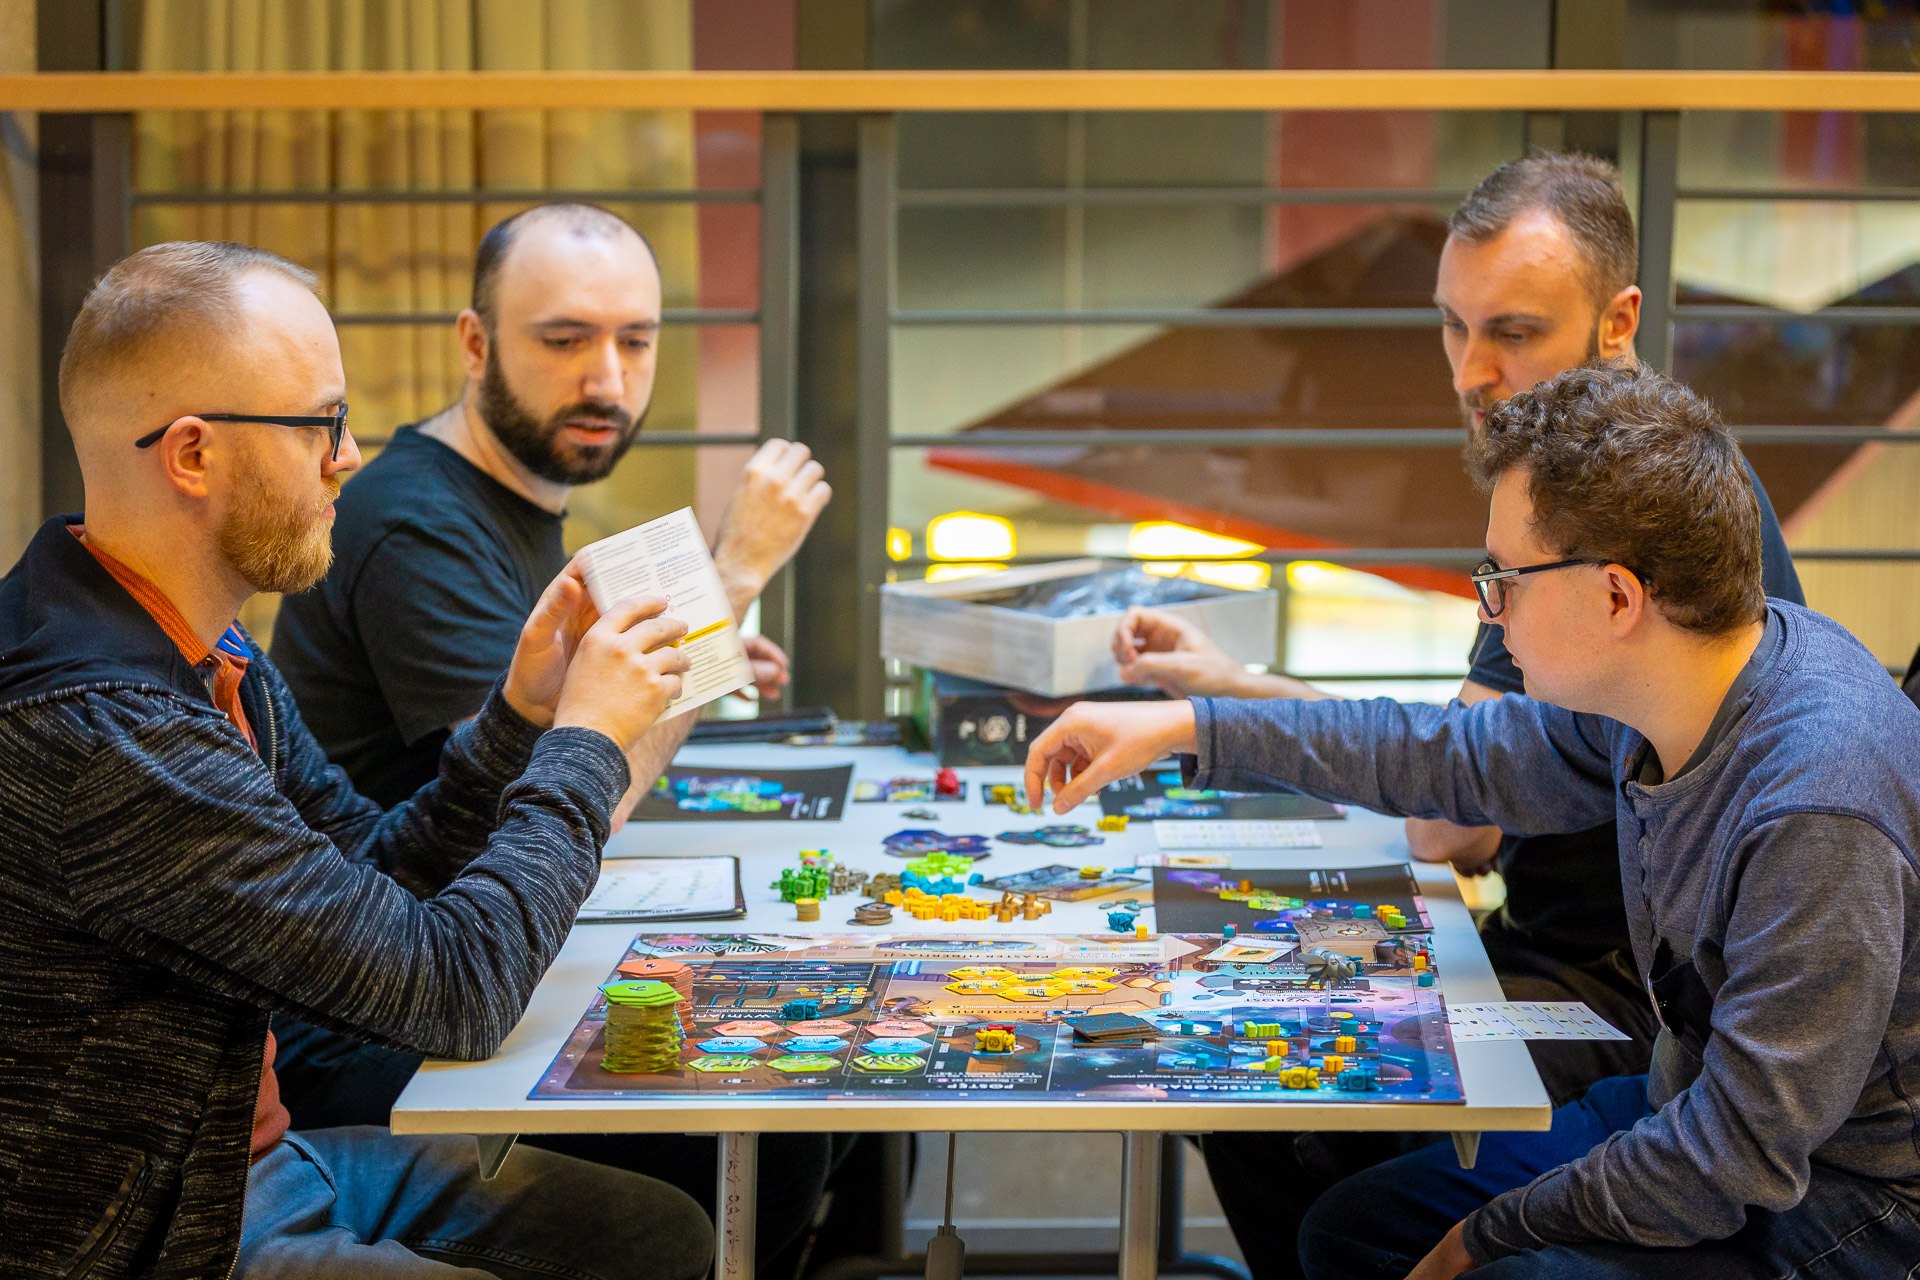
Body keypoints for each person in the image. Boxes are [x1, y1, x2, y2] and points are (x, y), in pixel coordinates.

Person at [1032, 362, 1920, 1278]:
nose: (1489, 610)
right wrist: (1189, 724)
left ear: (1617, 597)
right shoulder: (1673, 684)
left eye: (1506, 579)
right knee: (1350, 1231)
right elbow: (1445, 757)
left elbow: (1737, 1158)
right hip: (1693, 1106)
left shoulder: (1819, 810)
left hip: (1846, 1197)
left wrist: (1490, 1233)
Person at [1114, 154, 1809, 1276]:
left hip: (1626, 1003)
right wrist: (1216, 707)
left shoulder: (1610, 520)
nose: (1473, 369)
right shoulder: (1585, 484)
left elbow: (1455, 815)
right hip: (1571, 966)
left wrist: (1217, 711)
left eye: (1515, 332)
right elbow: (1474, 756)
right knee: (1261, 1079)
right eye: (1453, 324)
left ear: (1619, 320)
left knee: (1273, 1084)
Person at [0, 240, 714, 1279]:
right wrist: (589, 740)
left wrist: (520, 715)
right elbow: (458, 991)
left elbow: (380, 869)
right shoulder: (105, 731)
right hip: (171, 1232)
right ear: (192, 455)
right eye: (321, 424)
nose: (348, 456)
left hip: (259, 1160)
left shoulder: (207, 649)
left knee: (660, 1233)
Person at [267, 202, 839, 1267]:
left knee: (819, 1060)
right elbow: (579, 788)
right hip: (386, 1005)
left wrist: (689, 654)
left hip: (474, 945)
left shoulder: (513, 497)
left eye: (636, 341)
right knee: (775, 1112)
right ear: (475, 343)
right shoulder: (415, 520)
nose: (607, 379)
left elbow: (570, 756)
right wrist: (731, 583)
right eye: (566, 339)